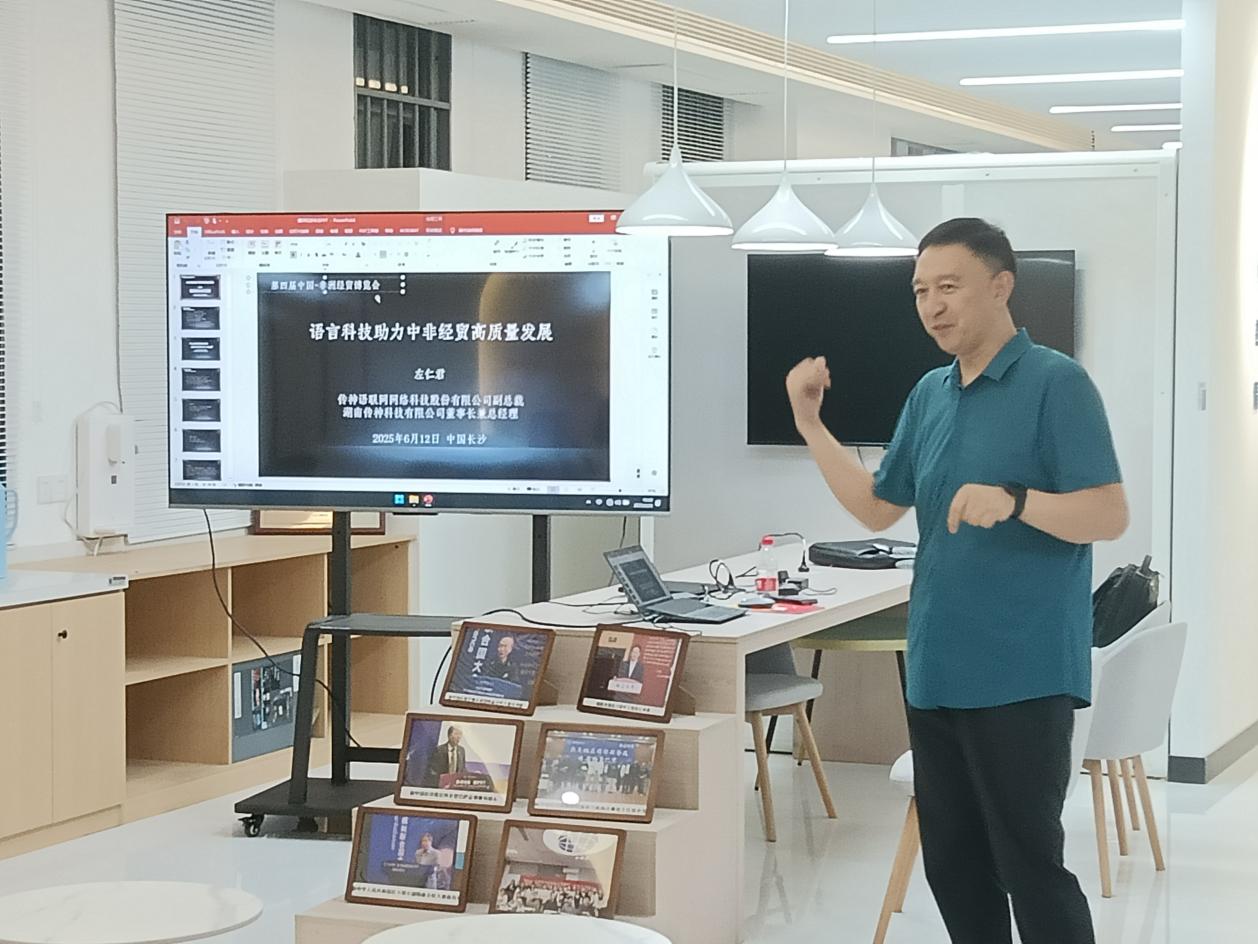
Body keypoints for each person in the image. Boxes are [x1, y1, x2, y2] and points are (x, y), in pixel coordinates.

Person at [785, 218, 1127, 944]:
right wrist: (811, 425)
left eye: (949, 286)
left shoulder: (1056, 383)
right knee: (954, 866)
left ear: (1000, 286)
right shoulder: (931, 393)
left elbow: (1108, 514)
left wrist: (1018, 501)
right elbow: (878, 506)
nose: (932, 306)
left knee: (1030, 863)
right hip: (937, 667)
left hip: (1022, 671)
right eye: (920, 291)